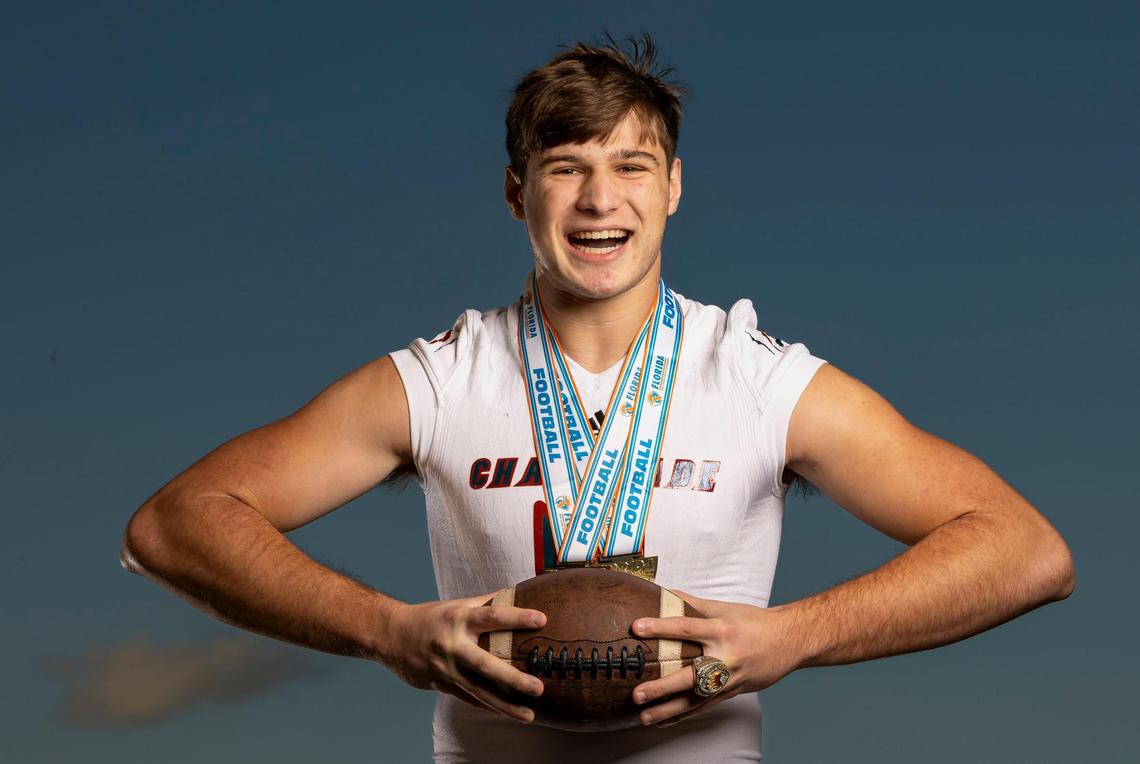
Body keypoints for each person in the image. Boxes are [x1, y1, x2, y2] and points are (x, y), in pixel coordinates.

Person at [121, 36, 1075, 762]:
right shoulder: (441, 378)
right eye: (566, 166)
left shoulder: (757, 377)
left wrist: (795, 635)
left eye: (630, 165)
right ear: (517, 192)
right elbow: (171, 525)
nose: (598, 199)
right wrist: (387, 629)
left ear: (674, 188)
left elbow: (1026, 550)